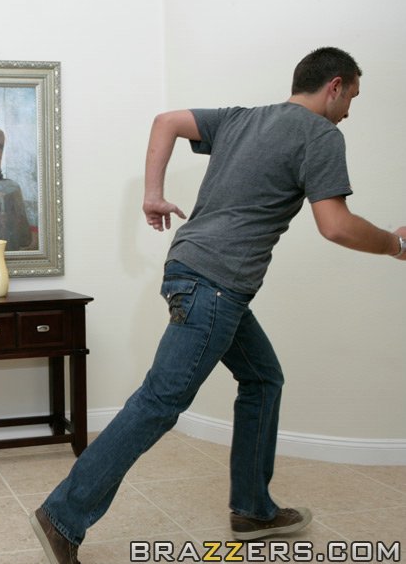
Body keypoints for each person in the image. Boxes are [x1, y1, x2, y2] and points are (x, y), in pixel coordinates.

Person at [29, 47, 406, 564]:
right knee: (159, 403)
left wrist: (152, 194)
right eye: (351, 98)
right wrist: (395, 244)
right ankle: (63, 514)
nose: (348, 112)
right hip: (216, 285)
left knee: (263, 378)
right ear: (334, 85)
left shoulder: (241, 119)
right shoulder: (320, 134)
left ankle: (252, 509)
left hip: (193, 271)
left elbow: (166, 121)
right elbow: (335, 225)